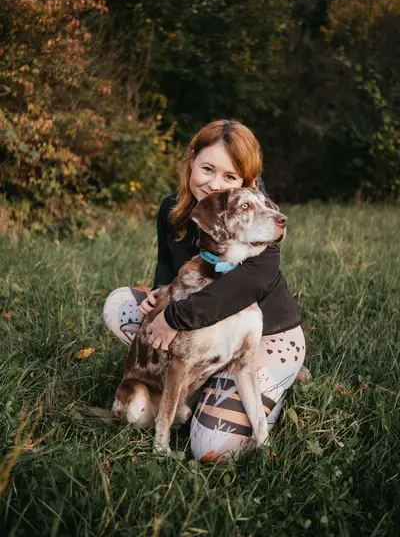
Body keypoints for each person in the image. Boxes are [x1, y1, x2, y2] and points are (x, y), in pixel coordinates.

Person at [103, 119, 306, 463]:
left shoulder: (258, 220)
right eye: (207, 169)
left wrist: (172, 318)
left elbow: (241, 288)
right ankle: (197, 379)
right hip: (202, 331)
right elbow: (166, 267)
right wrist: (158, 293)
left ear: (245, 181)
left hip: (267, 337)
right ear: (191, 161)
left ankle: (275, 381)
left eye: (229, 177)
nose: (214, 185)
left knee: (211, 448)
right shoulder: (172, 208)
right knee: (121, 306)